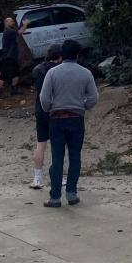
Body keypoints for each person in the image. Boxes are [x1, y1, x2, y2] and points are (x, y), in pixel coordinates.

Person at [38, 39, 98, 208]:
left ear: (62, 54)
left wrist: (49, 109)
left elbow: (44, 97)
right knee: (75, 157)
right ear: (77, 55)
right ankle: (71, 194)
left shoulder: (52, 73)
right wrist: (82, 106)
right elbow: (94, 98)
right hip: (76, 118)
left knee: (57, 159)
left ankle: (55, 197)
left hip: (56, 119)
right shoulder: (85, 73)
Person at [30, 44, 62, 189]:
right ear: (59, 57)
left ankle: (36, 179)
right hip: (55, 111)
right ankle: (58, 178)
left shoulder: (37, 69)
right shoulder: (57, 71)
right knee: (57, 145)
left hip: (40, 110)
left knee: (41, 144)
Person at [0, 16, 21, 98]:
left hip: (12, 57)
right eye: (11, 21)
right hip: (8, 57)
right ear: (6, 23)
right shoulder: (10, 31)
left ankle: (14, 90)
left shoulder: (9, 31)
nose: (13, 22)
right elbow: (20, 32)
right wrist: (26, 24)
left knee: (16, 74)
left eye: (13, 21)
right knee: (3, 75)